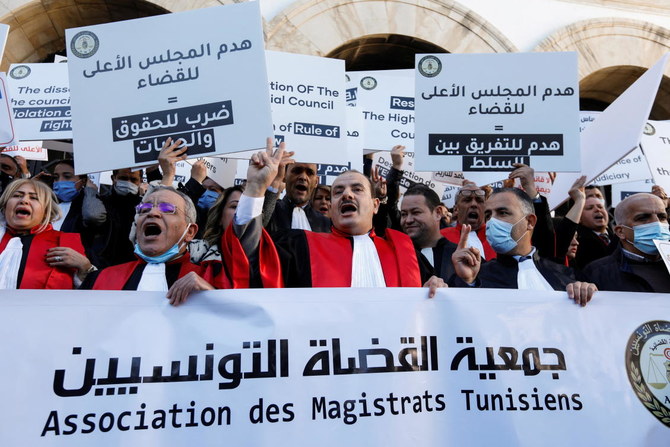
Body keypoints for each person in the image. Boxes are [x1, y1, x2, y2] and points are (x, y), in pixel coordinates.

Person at [227, 139, 445, 294]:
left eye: (357, 189)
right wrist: (255, 188)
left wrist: (443, 286)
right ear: (330, 207)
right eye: (338, 191)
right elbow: (246, 260)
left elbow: (434, 303)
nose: (347, 194)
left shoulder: (405, 253)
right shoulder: (298, 245)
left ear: (375, 205)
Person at [451, 187, 597, 306]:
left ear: (530, 222)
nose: (492, 222)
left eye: (502, 213)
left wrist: (588, 294)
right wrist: (467, 283)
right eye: (488, 216)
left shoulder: (566, 276)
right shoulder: (477, 276)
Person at [80, 186, 226, 304]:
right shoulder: (98, 280)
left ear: (190, 232)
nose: (153, 213)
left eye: (167, 209)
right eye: (144, 209)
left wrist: (210, 297)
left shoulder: (210, 279)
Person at [0, 179, 93, 289]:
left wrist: (85, 267)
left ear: (46, 211)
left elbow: (88, 296)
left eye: (34, 198)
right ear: (5, 207)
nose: (24, 200)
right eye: (17, 195)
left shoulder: (65, 242)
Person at [583, 193, 670, 292]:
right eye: (643, 218)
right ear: (620, 232)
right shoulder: (597, 272)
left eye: (662, 217)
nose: (656, 223)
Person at [400, 184, 457, 282]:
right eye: (404, 214)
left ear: (438, 213)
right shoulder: (397, 255)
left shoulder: (459, 255)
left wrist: (469, 280)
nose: (408, 220)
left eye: (416, 212)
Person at [263, 160, 331, 234]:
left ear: (316, 182)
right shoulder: (269, 213)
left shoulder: (325, 224)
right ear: (284, 176)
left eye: (309, 173)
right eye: (297, 171)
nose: (303, 177)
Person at [440, 182, 496, 261]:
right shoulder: (441, 237)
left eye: (479, 200)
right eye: (467, 200)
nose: (474, 204)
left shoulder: (497, 237)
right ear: (456, 209)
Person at [189, 185, 244, 263]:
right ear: (220, 217)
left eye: (247, 207)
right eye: (234, 206)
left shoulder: (264, 257)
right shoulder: (193, 250)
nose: (242, 213)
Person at [574, 195, 618, 269]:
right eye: (590, 208)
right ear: (579, 217)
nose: (597, 210)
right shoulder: (578, 242)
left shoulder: (620, 237)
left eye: (600, 207)